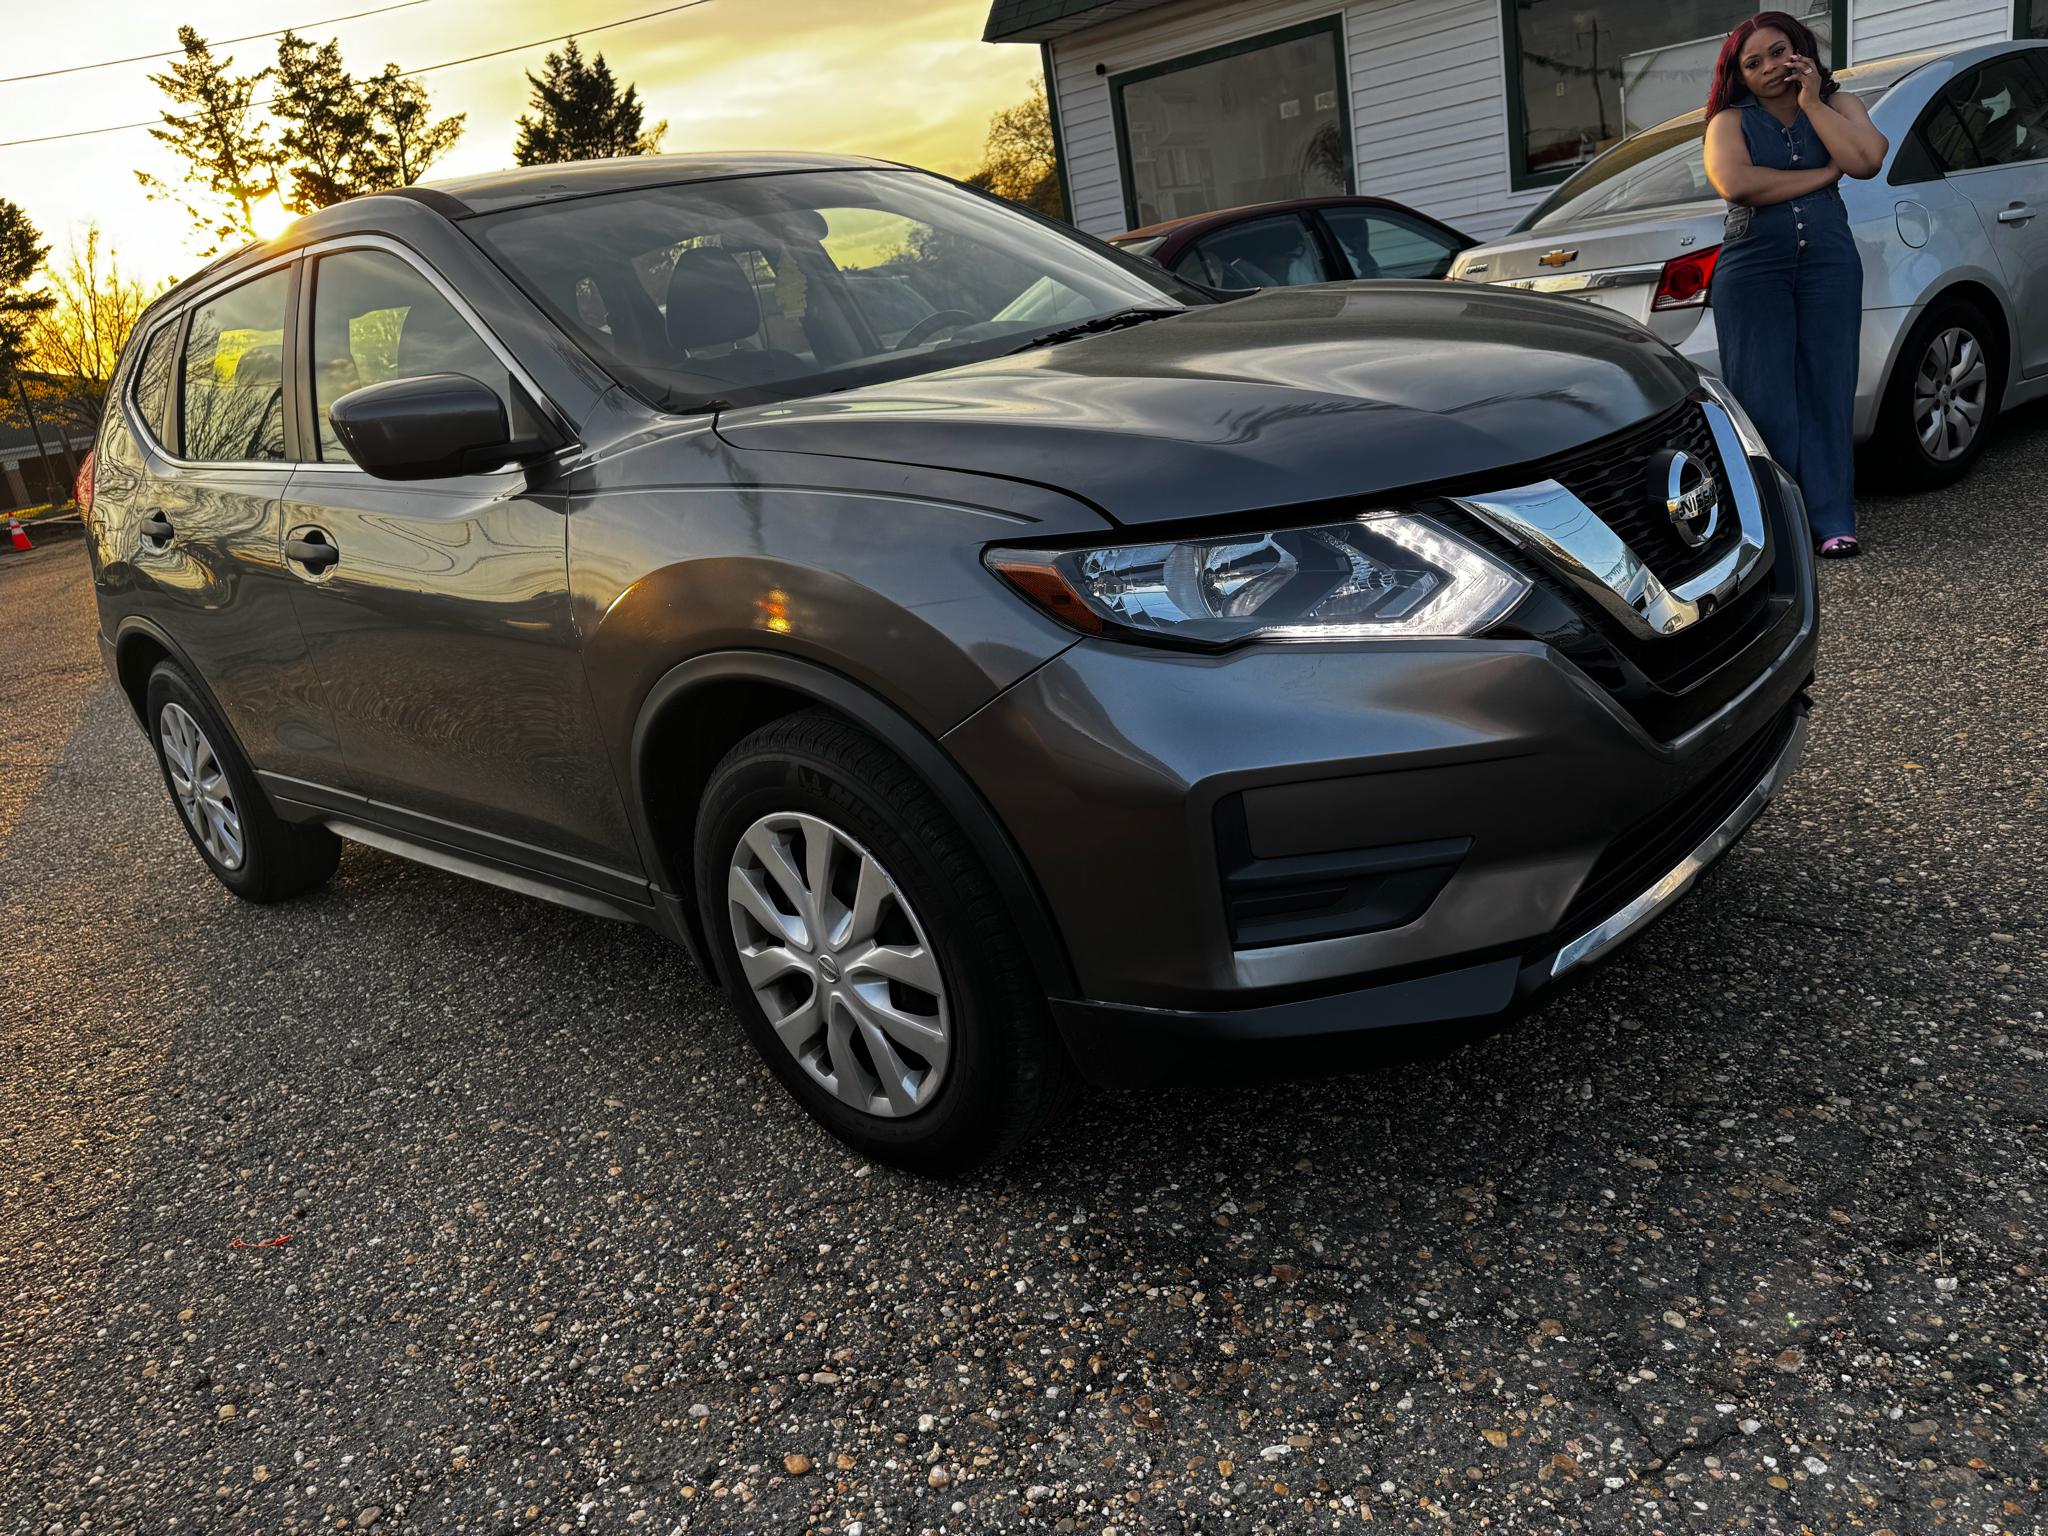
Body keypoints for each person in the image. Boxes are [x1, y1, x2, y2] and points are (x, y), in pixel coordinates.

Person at [1703, 12, 1887, 558]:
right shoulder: (1728, 122)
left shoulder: (1839, 104)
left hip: (1830, 262)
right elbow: (1737, 183)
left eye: (1779, 51)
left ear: (1800, 49)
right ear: (1739, 75)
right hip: (1753, 268)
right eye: (1752, 62)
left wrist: (1811, 103)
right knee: (1765, 398)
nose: (1769, 67)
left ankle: (1833, 521)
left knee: (1829, 387)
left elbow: (1866, 160)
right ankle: (1778, 533)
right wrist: (1824, 175)